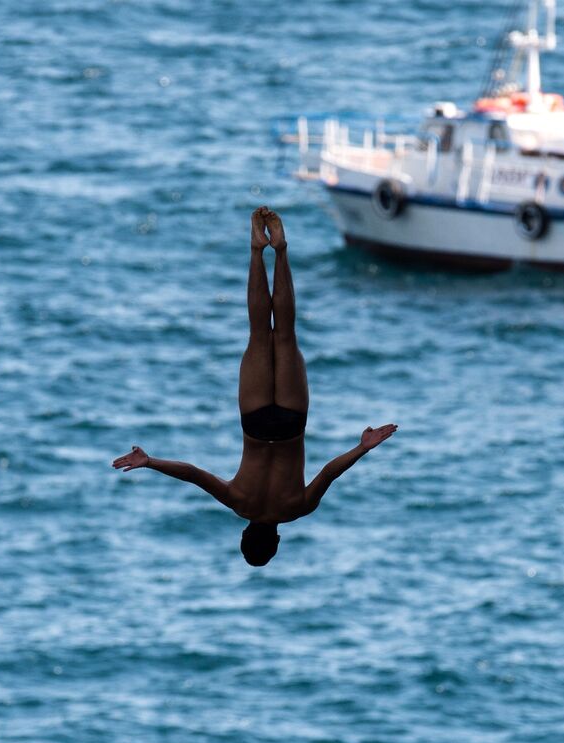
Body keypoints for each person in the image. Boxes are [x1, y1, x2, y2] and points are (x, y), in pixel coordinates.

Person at [112, 207, 397, 566]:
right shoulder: (238, 502)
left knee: (286, 335)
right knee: (260, 334)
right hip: (256, 422)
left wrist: (363, 447)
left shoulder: (298, 509)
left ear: (276, 540)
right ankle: (256, 249)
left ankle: (280, 250)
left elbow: (329, 472)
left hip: (291, 424)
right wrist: (149, 461)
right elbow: (192, 474)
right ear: (246, 533)